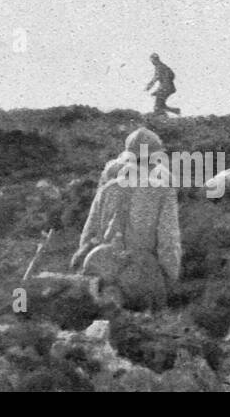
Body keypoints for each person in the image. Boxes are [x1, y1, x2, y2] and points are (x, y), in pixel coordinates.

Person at [77, 127, 182, 310]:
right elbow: (168, 242)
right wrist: (169, 281)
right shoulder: (163, 191)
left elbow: (88, 236)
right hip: (140, 277)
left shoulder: (108, 188)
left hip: (102, 275)